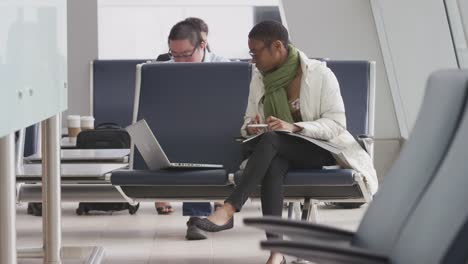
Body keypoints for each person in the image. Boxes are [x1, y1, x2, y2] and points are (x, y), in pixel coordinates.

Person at [193, 20, 378, 264]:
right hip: (277, 149)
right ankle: (276, 252)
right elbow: (247, 121)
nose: (252, 59)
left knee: (272, 140)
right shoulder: (260, 79)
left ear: (277, 47)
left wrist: (295, 127)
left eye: (255, 52)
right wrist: (251, 126)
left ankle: (229, 208)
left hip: (320, 148)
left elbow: (336, 124)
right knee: (274, 162)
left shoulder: (319, 74)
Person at [154, 18, 230, 241]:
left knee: (197, 143)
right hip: (180, 136)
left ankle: (199, 218)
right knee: (188, 140)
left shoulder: (225, 68)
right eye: (174, 55)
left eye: (186, 55)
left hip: (220, 135)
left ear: (202, 46)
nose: (179, 61)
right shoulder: (162, 71)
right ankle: (200, 218)